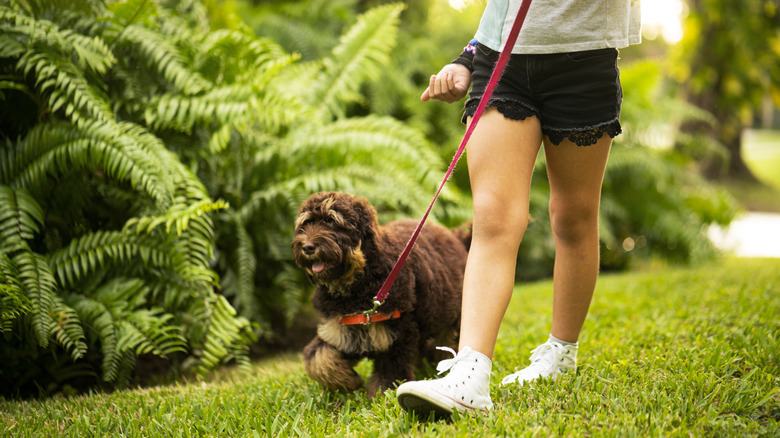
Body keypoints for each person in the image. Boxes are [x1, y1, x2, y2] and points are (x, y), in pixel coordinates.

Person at [396, 0, 642, 417]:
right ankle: (470, 372)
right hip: (501, 58)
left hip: (584, 60)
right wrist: (469, 56)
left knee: (572, 218)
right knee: (493, 218)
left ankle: (561, 354)